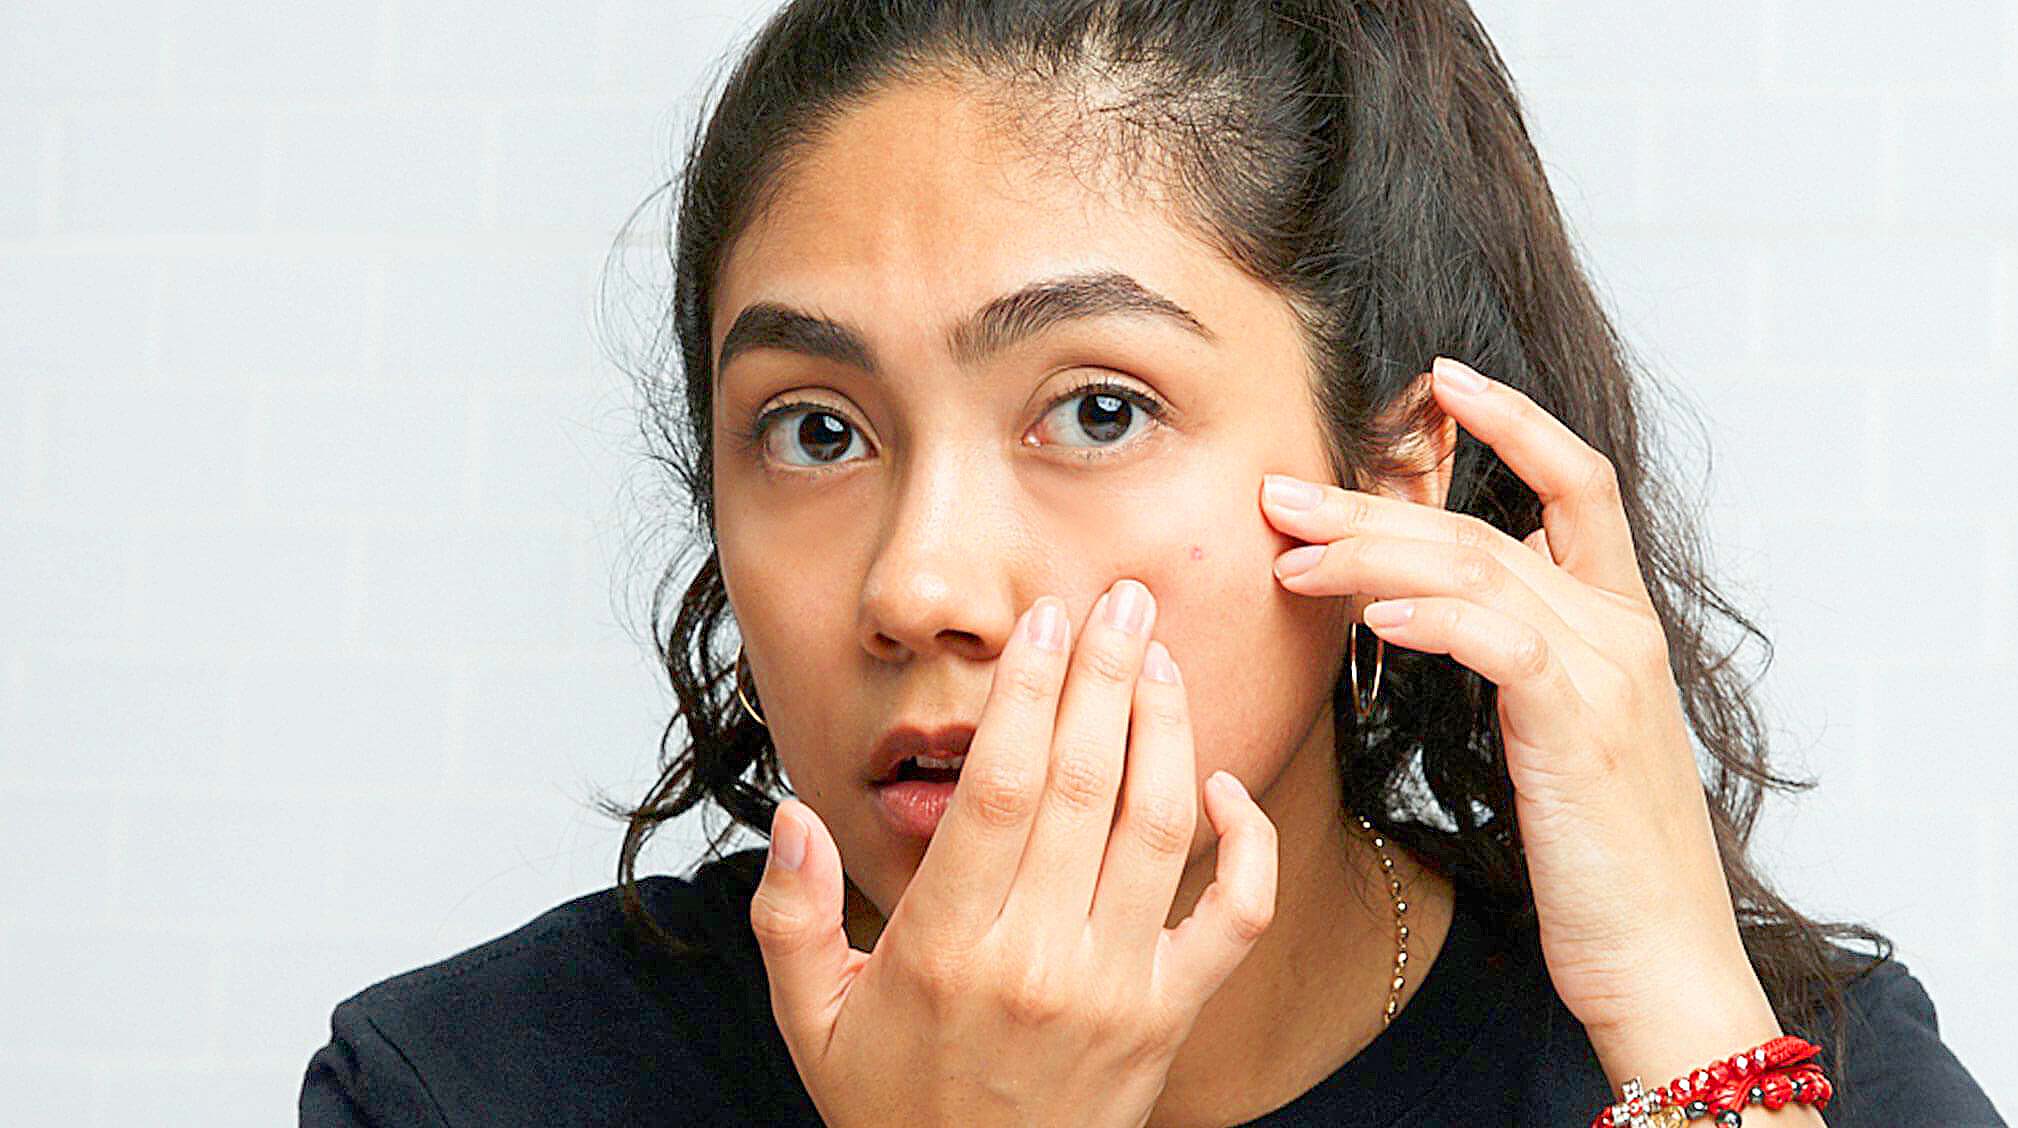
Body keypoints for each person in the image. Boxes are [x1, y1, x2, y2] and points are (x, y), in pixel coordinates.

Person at [301, 1, 2006, 1125]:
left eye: (1096, 409)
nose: (919, 588)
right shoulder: (470, 1090)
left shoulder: (1774, 1063)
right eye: (815, 429)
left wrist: (1677, 1018)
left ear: (1394, 472)